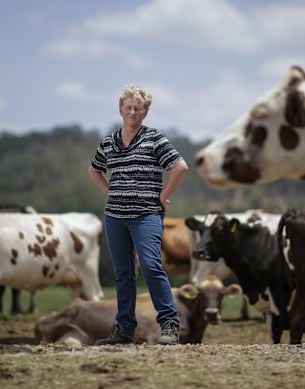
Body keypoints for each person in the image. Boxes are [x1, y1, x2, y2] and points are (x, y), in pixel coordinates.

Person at [89, 84, 188, 346]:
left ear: (144, 113)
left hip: (146, 215)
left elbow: (180, 167)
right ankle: (123, 330)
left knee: (151, 266)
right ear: (121, 110)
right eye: (129, 108)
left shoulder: (154, 138)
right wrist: (110, 192)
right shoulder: (108, 142)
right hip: (115, 217)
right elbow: (94, 170)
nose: (133, 112)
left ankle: (169, 325)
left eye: (138, 108)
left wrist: (164, 195)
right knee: (123, 273)